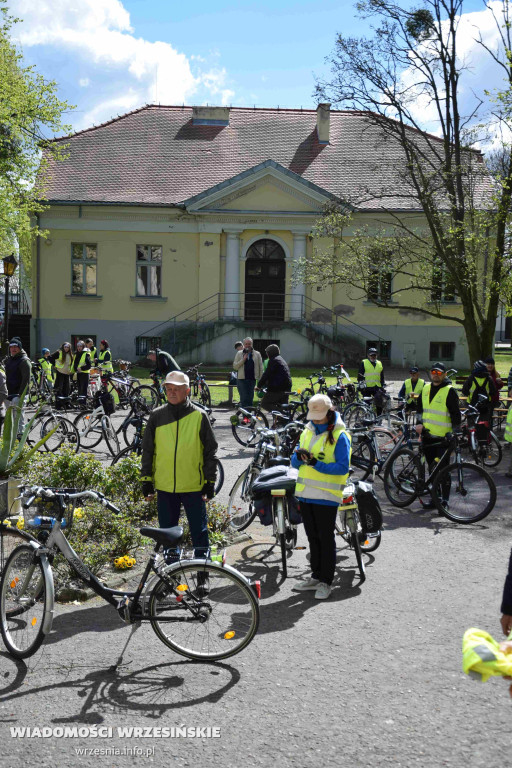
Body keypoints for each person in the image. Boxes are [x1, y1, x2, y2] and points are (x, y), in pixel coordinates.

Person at [141, 370, 218, 564]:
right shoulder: (156, 416)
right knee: (167, 534)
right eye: (168, 389)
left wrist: (210, 482)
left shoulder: (199, 416)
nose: (172, 393)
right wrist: (146, 480)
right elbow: (148, 451)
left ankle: (202, 575)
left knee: (199, 533)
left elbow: (210, 451)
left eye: (177, 389)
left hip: (194, 486)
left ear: (187, 391)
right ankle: (171, 576)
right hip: (165, 487)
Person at [291, 394, 351, 600]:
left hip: (326, 496)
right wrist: (299, 458)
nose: (315, 420)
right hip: (306, 496)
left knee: (326, 540)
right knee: (312, 538)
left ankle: (326, 581)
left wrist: (316, 464)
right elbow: (294, 462)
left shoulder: (340, 436)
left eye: (319, 417)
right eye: (313, 417)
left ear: (329, 413)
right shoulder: (307, 431)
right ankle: (316, 576)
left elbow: (343, 467)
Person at [415, 362, 461, 509]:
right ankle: (436, 498)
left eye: (439, 372)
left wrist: (454, 432)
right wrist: (418, 423)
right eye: (434, 372)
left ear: (445, 374)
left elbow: (456, 415)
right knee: (432, 469)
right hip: (428, 437)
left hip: (443, 439)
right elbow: (420, 409)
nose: (436, 374)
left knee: (443, 472)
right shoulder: (426, 388)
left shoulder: (449, 391)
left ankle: (445, 501)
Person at [4, 338, 31, 434]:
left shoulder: (24, 361)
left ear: (20, 348)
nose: (13, 349)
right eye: (11, 347)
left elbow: (26, 380)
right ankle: (11, 441)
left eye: (16, 347)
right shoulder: (9, 359)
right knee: (10, 419)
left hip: (18, 395)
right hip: (9, 394)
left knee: (19, 419)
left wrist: (20, 395)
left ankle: (20, 440)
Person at [256, 344, 292, 411]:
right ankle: (284, 419)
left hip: (278, 388)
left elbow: (267, 374)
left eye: (267, 353)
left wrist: (259, 385)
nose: (267, 355)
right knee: (283, 406)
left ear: (270, 353)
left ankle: (281, 415)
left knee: (265, 403)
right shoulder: (281, 359)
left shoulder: (273, 360)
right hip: (287, 386)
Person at [233, 337, 263, 408]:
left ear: (252, 344)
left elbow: (261, 368)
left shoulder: (257, 354)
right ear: (244, 344)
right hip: (241, 380)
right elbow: (235, 367)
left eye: (249, 344)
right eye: (246, 344)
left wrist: (260, 381)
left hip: (252, 379)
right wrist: (243, 360)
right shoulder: (239, 353)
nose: (247, 345)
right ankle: (245, 417)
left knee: (250, 399)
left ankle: (249, 416)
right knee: (243, 399)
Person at [358, 348, 385, 414]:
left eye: (374, 355)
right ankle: (367, 417)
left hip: (377, 386)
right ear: (368, 355)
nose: (373, 357)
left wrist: (382, 385)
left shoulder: (379, 363)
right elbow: (360, 375)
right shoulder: (364, 362)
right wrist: (361, 385)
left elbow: (381, 375)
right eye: (371, 355)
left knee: (379, 403)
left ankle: (379, 419)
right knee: (367, 404)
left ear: (377, 356)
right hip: (367, 387)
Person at [71, 340, 91, 405]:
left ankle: (83, 404)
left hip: (85, 374)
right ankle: (80, 403)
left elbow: (89, 365)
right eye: (78, 346)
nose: (79, 347)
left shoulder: (86, 353)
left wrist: (81, 368)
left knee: (83, 389)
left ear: (83, 347)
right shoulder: (76, 354)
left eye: (80, 346)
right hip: (78, 373)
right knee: (79, 389)